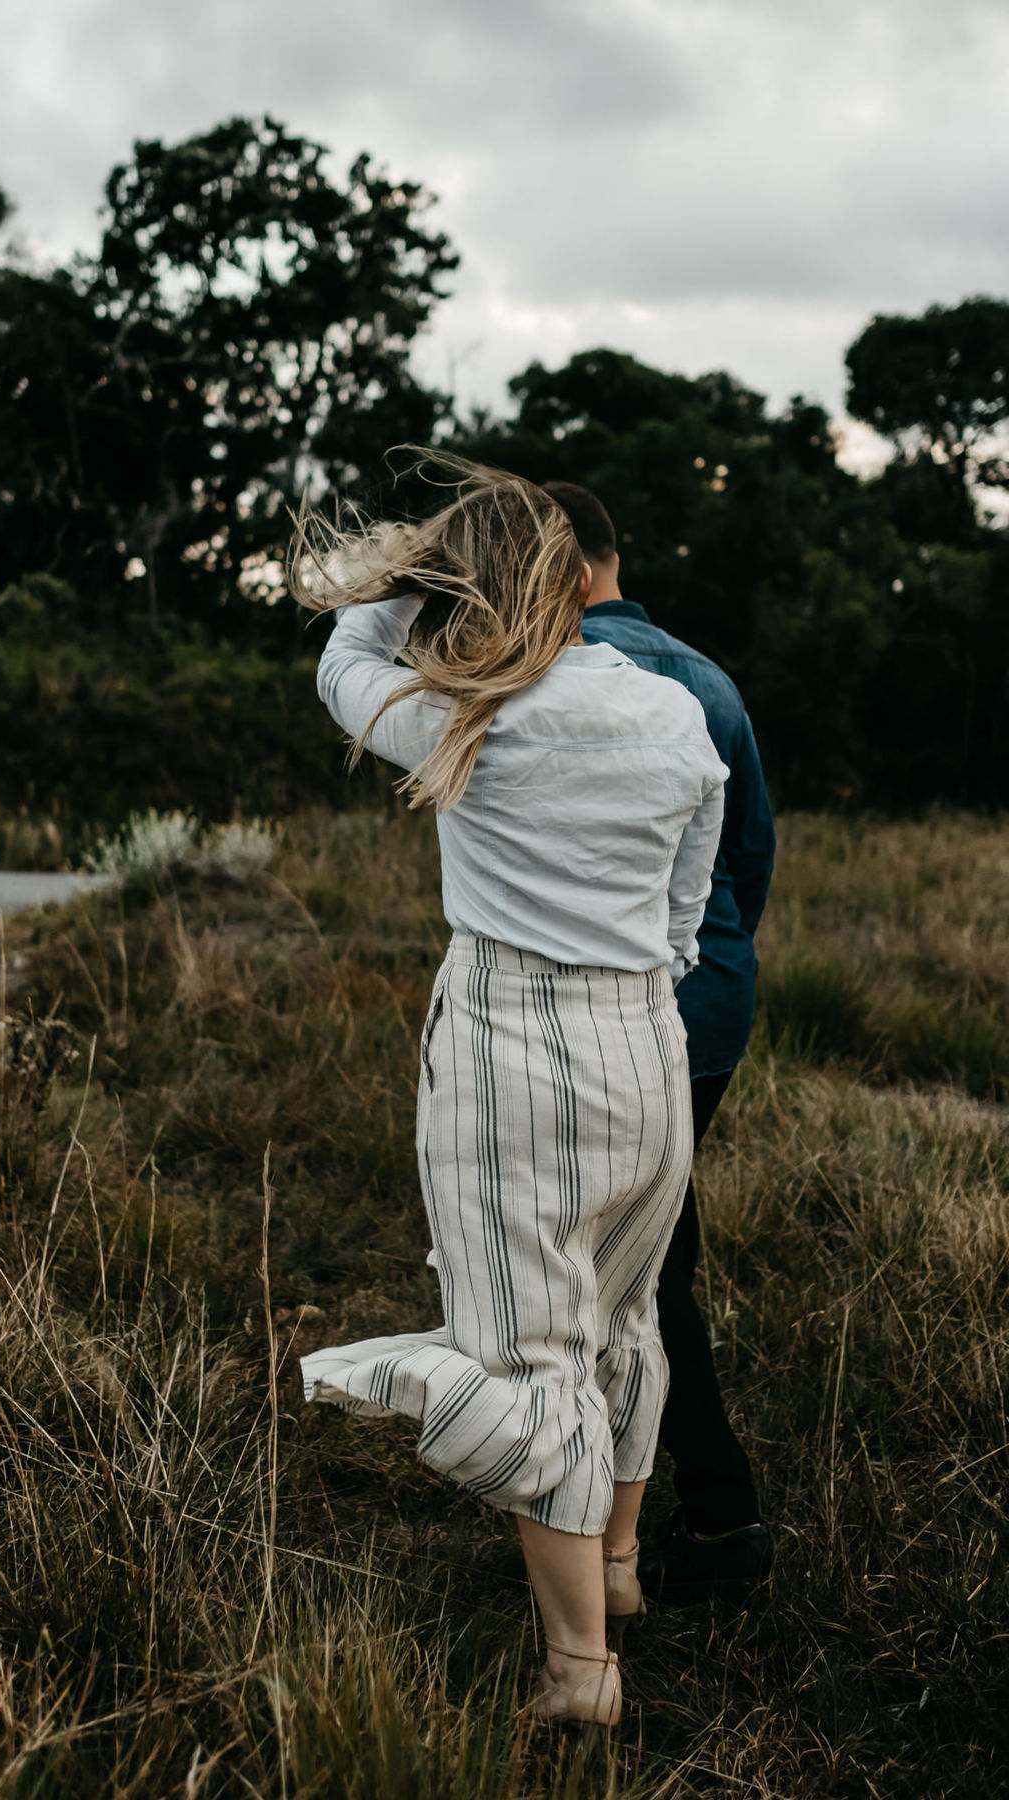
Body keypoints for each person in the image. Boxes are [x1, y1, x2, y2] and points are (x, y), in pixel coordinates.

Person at [289, 456, 729, 1726]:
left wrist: (405, 567)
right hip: (648, 1046)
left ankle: (579, 1672)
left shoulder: (465, 714)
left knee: (532, 1353)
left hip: (510, 1053)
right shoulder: (674, 715)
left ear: (464, 587)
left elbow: (338, 659)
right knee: (627, 1322)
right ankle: (621, 1571)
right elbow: (688, 917)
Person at [544, 479, 776, 1604]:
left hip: (606, 1006)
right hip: (714, 998)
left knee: (633, 1267)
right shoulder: (711, 680)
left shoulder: (543, 678)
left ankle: (715, 1522)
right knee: (647, 1251)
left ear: (557, 567)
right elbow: (750, 861)